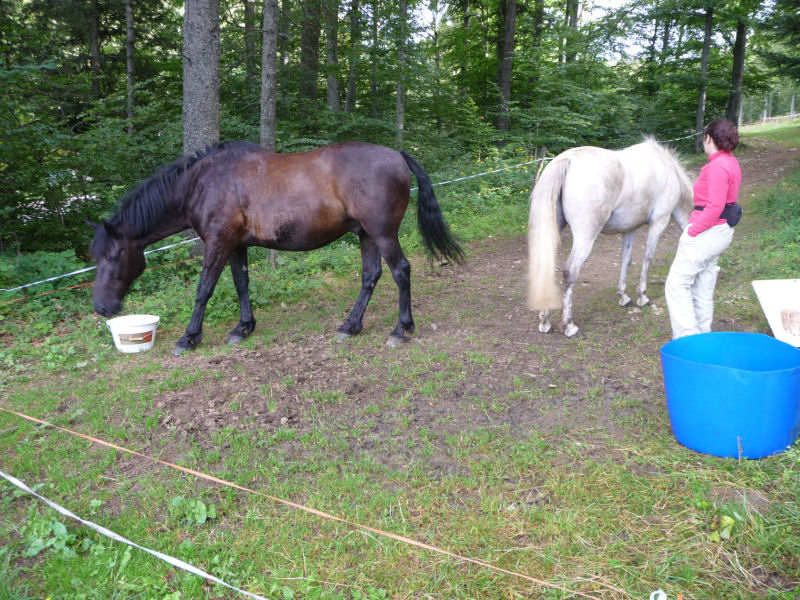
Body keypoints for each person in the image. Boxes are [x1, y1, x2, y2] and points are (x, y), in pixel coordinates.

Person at [665, 119, 742, 339]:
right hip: (720, 231)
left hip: (708, 231)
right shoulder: (730, 161)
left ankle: (688, 339)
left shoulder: (717, 166)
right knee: (703, 286)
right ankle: (703, 336)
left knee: (677, 284)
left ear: (709, 138)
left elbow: (715, 206)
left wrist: (692, 230)